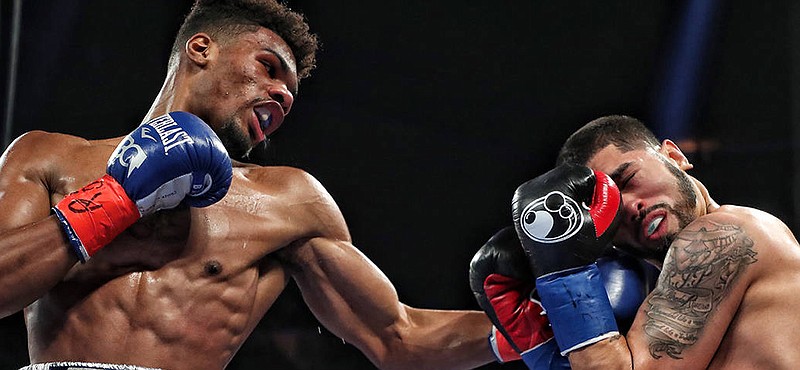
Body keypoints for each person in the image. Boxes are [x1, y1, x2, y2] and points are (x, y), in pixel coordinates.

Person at [0, 1, 501, 369]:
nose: (281, 93)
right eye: (268, 67)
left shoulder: (288, 200)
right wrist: (114, 200)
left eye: (289, 90)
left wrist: (529, 325)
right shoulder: (49, 157)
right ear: (202, 48)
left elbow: (399, 336)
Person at [497, 114, 800, 369]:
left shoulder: (724, 234)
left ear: (674, 156)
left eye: (628, 180)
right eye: (610, 207)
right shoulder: (659, 302)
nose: (629, 207)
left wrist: (563, 274)